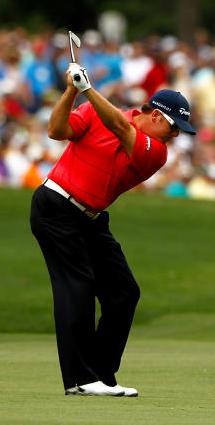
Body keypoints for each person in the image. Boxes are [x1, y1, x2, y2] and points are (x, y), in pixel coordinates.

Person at [30, 60, 196, 397]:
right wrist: (71, 91)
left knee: (123, 292)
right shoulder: (94, 112)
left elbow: (121, 127)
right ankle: (80, 379)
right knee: (77, 285)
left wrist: (87, 89)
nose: (176, 135)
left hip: (90, 219)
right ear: (155, 116)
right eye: (174, 126)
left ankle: (100, 374)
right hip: (56, 207)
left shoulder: (156, 152)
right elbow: (56, 131)